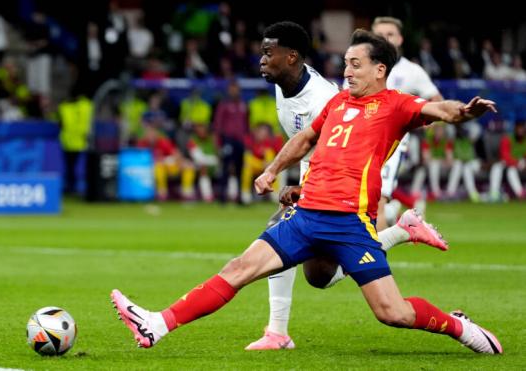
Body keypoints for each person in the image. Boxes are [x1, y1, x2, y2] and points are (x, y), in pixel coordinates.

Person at [111, 29, 502, 355]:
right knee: (239, 269)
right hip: (307, 214)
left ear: (380, 69)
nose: (346, 71)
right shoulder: (336, 103)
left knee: (392, 313)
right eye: (345, 63)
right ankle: (157, 324)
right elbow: (304, 138)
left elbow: (442, 110)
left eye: (355, 64)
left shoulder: (396, 105)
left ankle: (458, 327)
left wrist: (465, 112)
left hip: (350, 222)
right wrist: (272, 171)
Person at [242, 21, 447, 351]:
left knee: (281, 229)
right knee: (319, 276)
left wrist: (302, 187)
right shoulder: (285, 84)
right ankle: (402, 231)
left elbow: (333, 150)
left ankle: (277, 332)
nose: (262, 59)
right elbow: (306, 141)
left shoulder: (331, 95)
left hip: (355, 171)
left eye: (269, 53)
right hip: (325, 169)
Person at [364, 16, 444, 229]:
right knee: (357, 203)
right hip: (360, 142)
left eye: (389, 34)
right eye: (379, 35)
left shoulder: (412, 71)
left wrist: (423, 123)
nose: (384, 39)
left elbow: (438, 103)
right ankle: (392, 215)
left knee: (376, 201)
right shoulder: (359, 66)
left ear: (399, 39)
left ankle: (372, 259)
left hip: (391, 144)